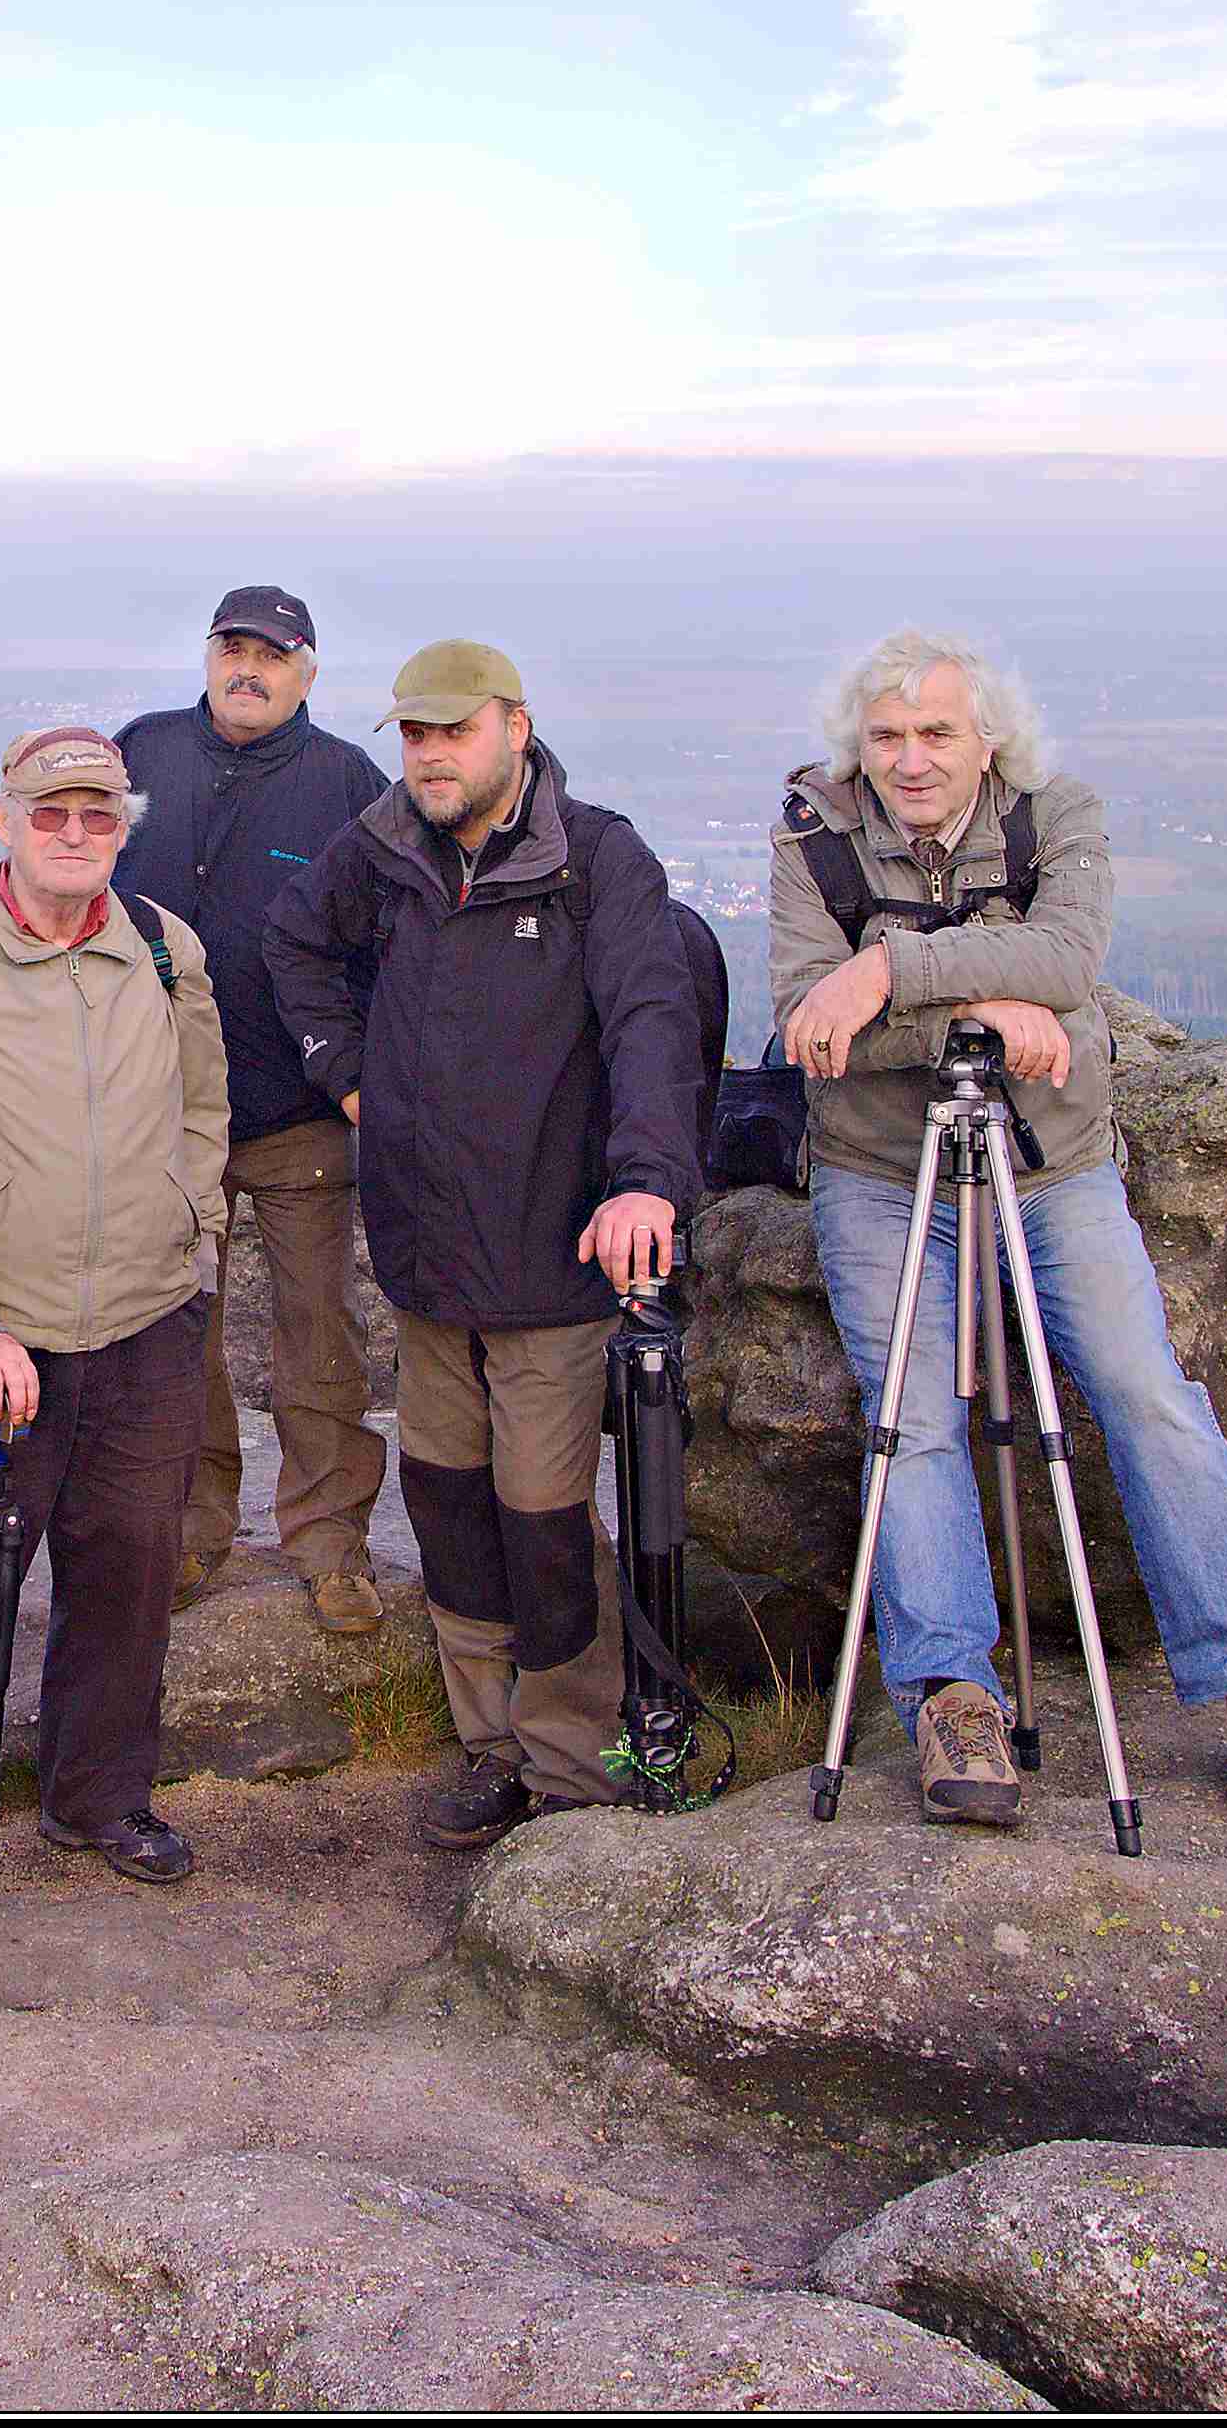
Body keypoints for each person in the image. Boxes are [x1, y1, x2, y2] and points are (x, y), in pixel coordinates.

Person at [773, 624, 1227, 1831]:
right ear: (854, 748)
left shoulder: (1056, 813)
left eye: (936, 733)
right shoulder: (811, 835)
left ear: (988, 741)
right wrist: (983, 997)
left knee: (1143, 1389)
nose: (910, 760)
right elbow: (805, 1029)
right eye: (886, 737)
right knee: (911, 1423)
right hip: (878, 1170)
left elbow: (1070, 957)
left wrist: (879, 973)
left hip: (1051, 1166)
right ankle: (951, 1695)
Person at [262, 641, 702, 1849]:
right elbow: (293, 947)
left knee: (543, 1514)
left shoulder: (593, 859)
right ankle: (488, 1747)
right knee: (448, 1504)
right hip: (423, 1246)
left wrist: (648, 1184)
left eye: (452, 732)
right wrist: (347, 1076)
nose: (429, 755)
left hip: (552, 1255)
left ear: (514, 726)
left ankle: (570, 1770)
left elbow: (651, 1021)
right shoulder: (386, 848)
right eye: (413, 734)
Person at [0, 725, 231, 1902]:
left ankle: (97, 1796)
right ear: (5, 819)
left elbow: (204, 1111)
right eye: (50, 814)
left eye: (98, 816)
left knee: (128, 1576)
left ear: (123, 826)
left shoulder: (166, 952)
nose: (74, 836)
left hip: (145, 1325)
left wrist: (196, 1245)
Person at [111, 583, 395, 1635]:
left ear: (306, 673)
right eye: (233, 648)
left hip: (300, 1111)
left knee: (316, 1328)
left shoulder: (346, 784)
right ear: (207, 655)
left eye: (271, 655)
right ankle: (190, 1531)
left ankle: (329, 1545)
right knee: (178, 1328)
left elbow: (388, 940)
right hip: (158, 1110)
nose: (249, 668)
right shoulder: (141, 752)